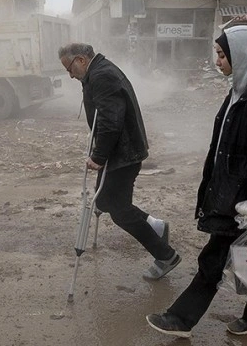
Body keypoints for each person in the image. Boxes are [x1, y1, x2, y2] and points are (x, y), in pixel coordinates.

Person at [145, 25, 247, 338]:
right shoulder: (245, 87)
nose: (217, 61)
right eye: (217, 54)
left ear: (243, 54)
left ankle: (181, 319)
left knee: (215, 257)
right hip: (237, 192)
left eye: (223, 55)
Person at [58, 43, 181, 280]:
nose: (70, 75)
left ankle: (166, 256)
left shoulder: (102, 76)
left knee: (119, 210)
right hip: (121, 150)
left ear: (81, 60)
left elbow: (111, 120)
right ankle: (157, 226)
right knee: (103, 201)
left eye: (70, 68)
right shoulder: (98, 71)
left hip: (123, 154)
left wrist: (98, 156)